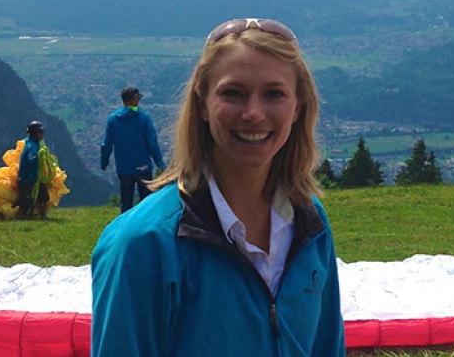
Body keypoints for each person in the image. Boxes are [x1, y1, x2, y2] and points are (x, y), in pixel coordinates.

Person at [91, 18, 346, 357]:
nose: (254, 113)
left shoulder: (310, 223)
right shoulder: (143, 245)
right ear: (202, 104)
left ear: (298, 106)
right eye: (233, 93)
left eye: (274, 94)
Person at [100, 86, 167, 213]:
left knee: (126, 203)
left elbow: (107, 144)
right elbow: (152, 143)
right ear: (134, 99)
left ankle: (125, 229)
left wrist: (104, 162)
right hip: (143, 167)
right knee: (146, 203)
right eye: (138, 98)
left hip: (124, 168)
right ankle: (145, 229)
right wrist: (160, 164)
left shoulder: (113, 119)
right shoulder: (144, 118)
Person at [15, 121, 49, 220]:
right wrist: (40, 158)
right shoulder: (32, 146)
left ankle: (42, 216)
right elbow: (31, 159)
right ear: (35, 134)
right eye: (40, 133)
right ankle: (23, 216)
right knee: (27, 200)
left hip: (34, 177)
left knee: (43, 196)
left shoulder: (32, 143)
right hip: (28, 178)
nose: (42, 135)